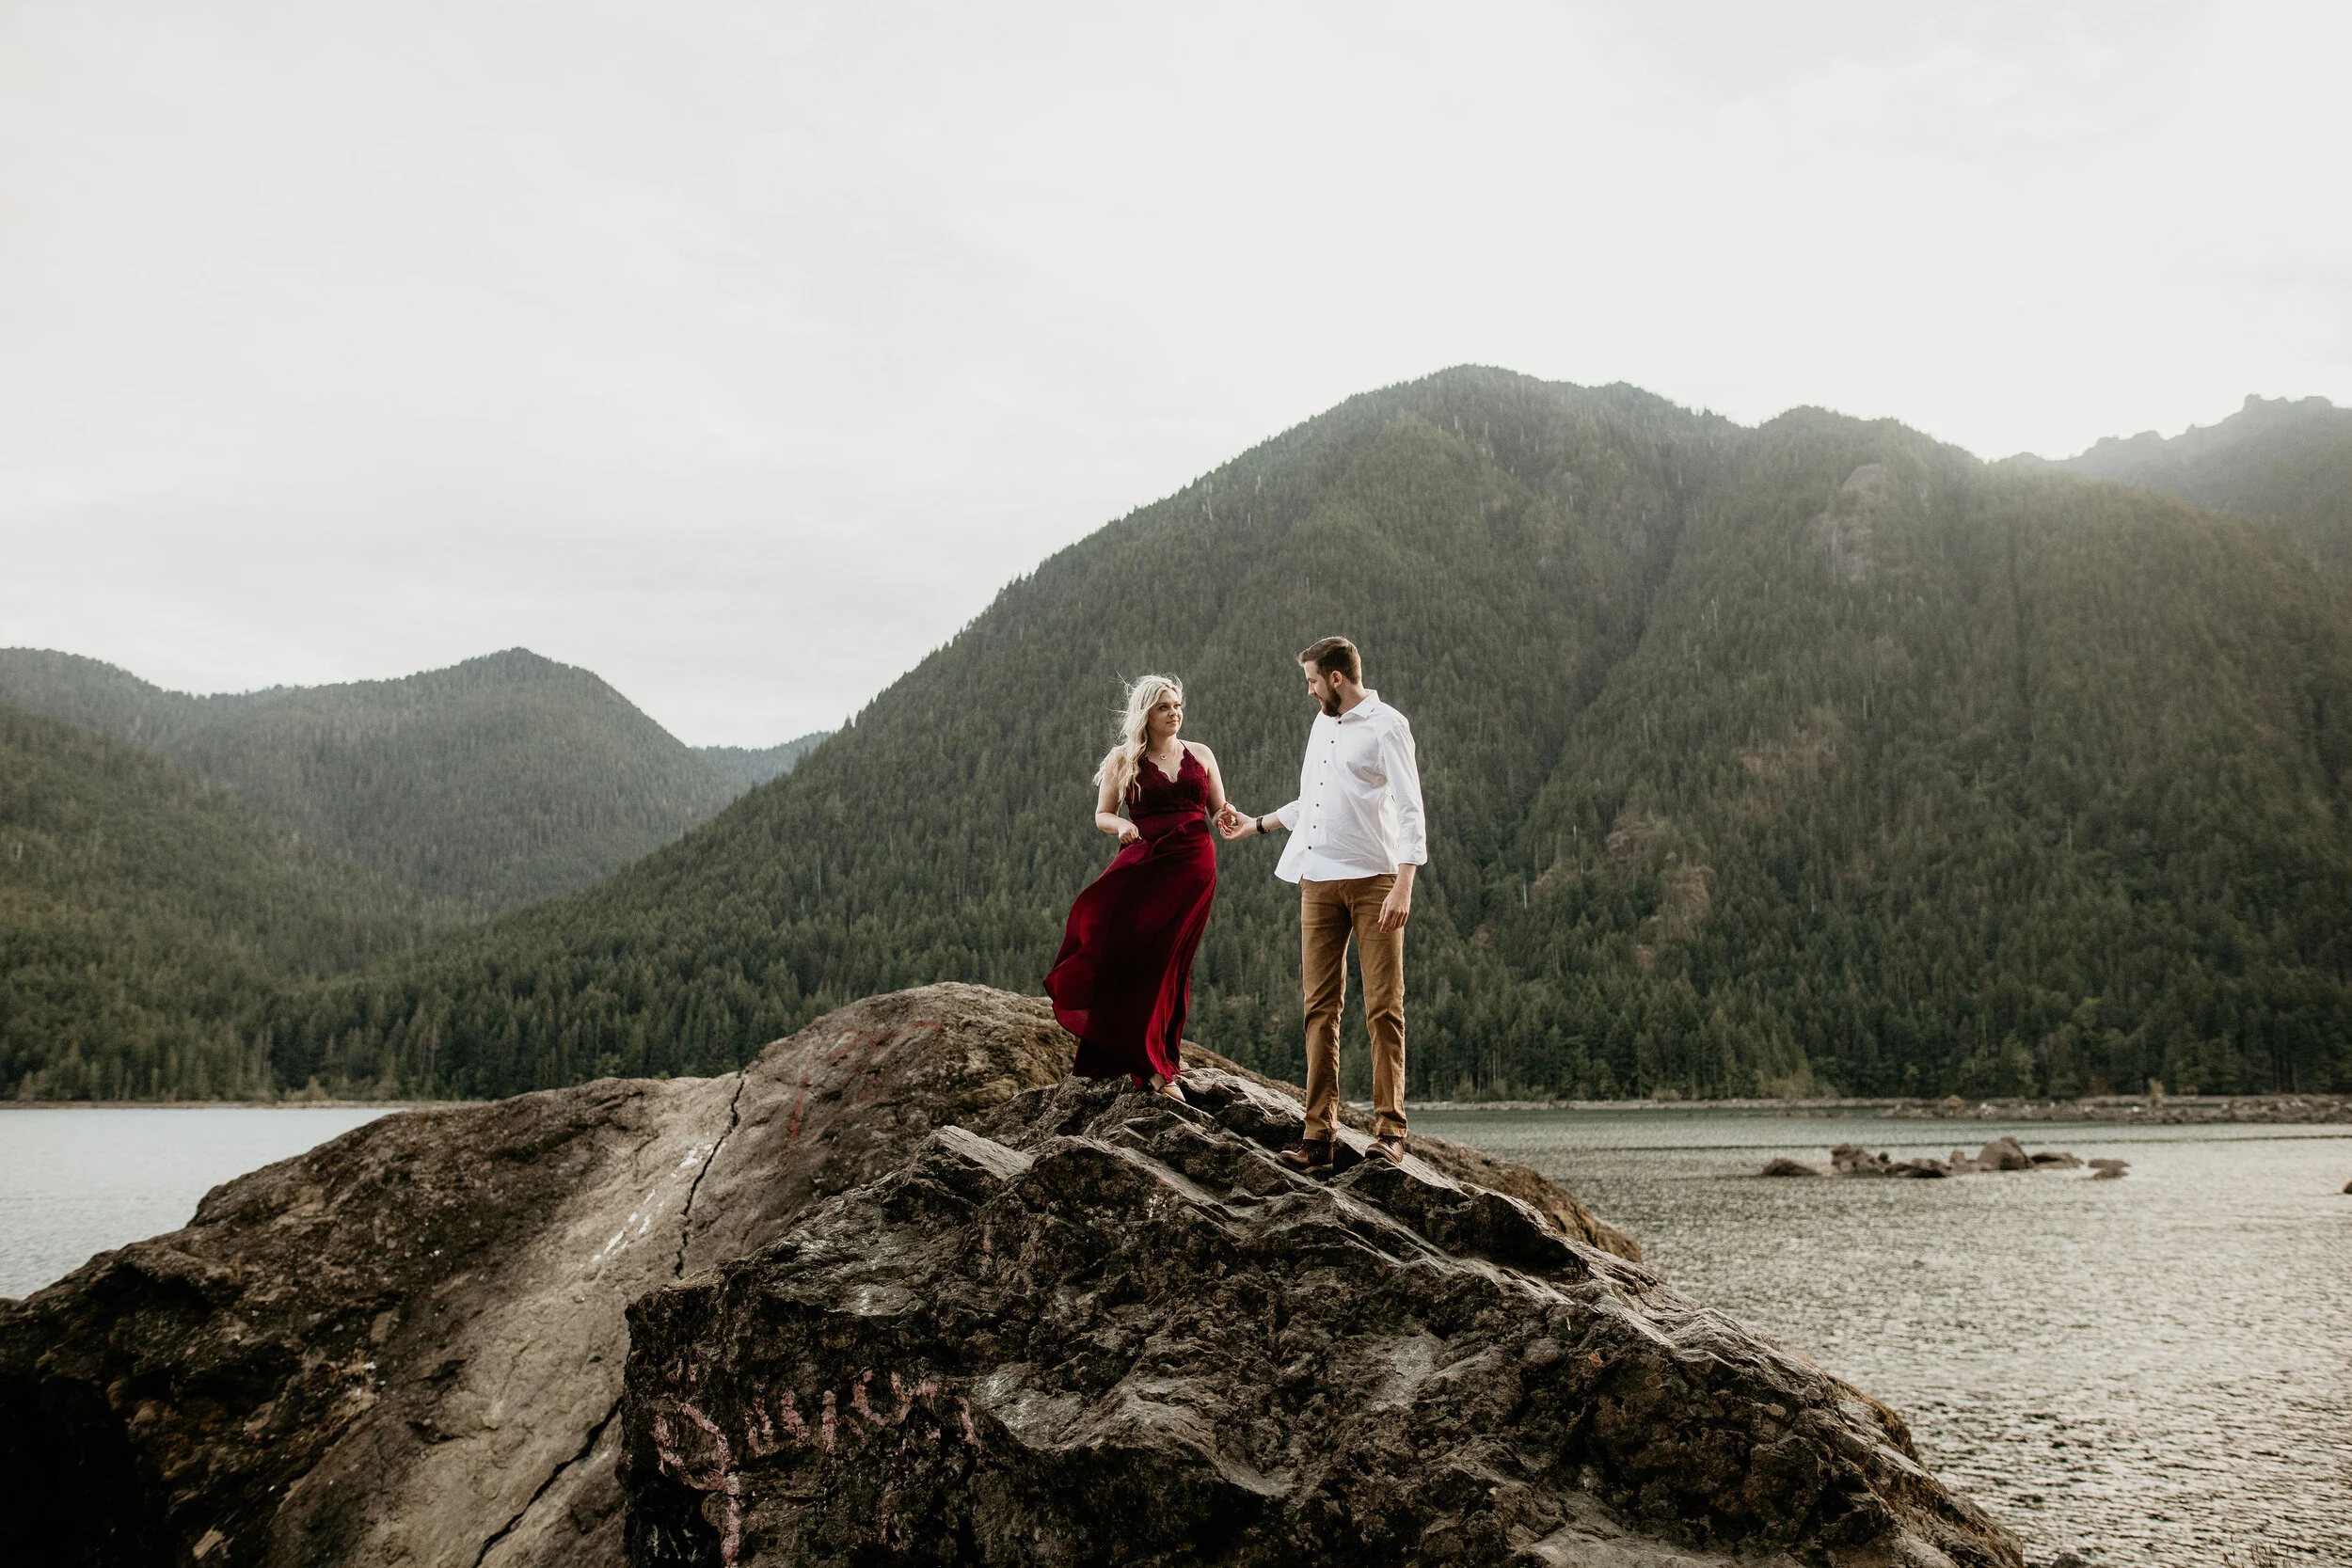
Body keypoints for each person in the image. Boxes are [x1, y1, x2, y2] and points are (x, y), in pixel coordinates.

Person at [1218, 637, 1425, 1166]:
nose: (1309, 691)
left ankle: (1390, 1132)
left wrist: (1404, 883)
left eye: (1312, 680)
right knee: (1319, 1008)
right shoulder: (1322, 725)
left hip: (1376, 881)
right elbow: (1313, 802)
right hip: (1317, 880)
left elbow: (1410, 810)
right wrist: (1256, 824)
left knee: (1383, 1006)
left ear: (1336, 677)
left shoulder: (1388, 726)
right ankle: (1318, 1138)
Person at [1046, 674, 1233, 1100]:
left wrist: (1229, 815)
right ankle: (1146, 1062)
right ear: (1146, 713)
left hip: (1194, 868)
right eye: (1165, 707)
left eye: (1178, 705)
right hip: (1146, 866)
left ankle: (1161, 1063)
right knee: (1139, 960)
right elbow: (1102, 814)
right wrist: (1121, 825)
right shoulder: (1124, 758)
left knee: (1173, 964)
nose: (1175, 713)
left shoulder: (1201, 754)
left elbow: (1218, 809)